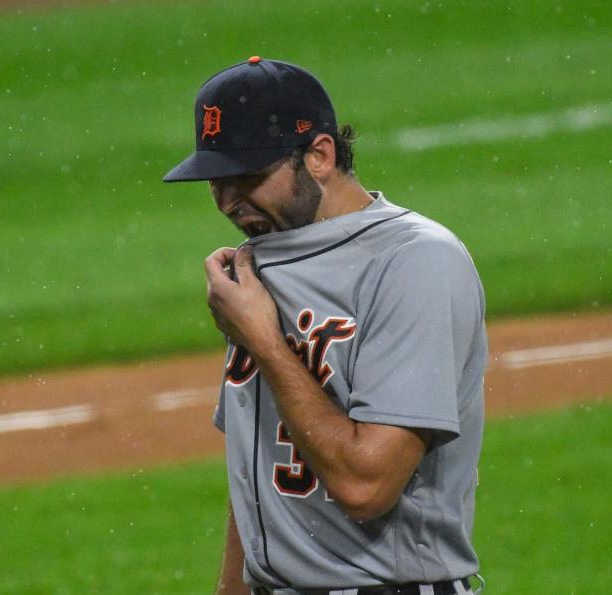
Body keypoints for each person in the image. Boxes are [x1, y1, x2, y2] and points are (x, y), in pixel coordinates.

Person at [163, 57, 487, 595]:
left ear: (319, 155)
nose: (227, 202)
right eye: (216, 181)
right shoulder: (257, 266)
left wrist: (263, 339)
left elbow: (367, 486)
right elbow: (258, 459)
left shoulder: (415, 263)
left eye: (247, 176)